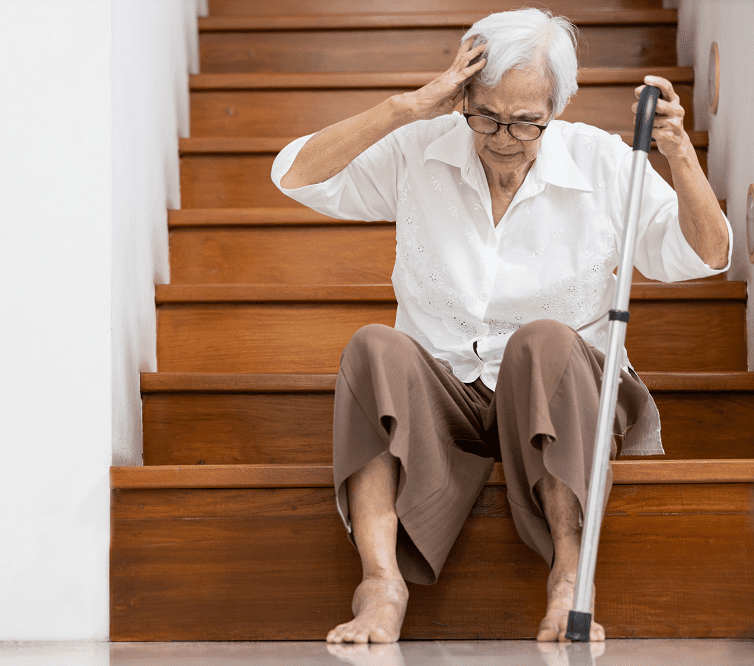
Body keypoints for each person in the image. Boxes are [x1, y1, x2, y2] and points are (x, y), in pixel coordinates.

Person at [271, 8, 732, 644]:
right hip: (446, 392)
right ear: (463, 93)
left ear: (557, 106)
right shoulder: (421, 149)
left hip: (560, 392)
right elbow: (295, 175)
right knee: (373, 346)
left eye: (526, 121)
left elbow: (706, 256)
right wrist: (407, 108)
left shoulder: (601, 164)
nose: (503, 136)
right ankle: (380, 583)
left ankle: (570, 580)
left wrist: (679, 156)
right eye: (486, 115)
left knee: (541, 340)